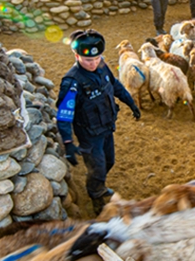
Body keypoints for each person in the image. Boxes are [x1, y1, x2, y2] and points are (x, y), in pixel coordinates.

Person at [56, 29, 141, 214]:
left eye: (97, 58)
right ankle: (96, 196)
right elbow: (64, 115)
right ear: (77, 55)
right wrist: (68, 142)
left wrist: (130, 102)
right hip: (89, 134)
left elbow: (115, 85)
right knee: (98, 168)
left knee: (109, 161)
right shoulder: (72, 81)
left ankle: (99, 185)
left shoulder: (102, 66)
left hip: (106, 127)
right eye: (88, 60)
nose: (93, 63)